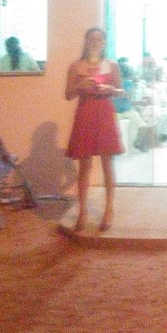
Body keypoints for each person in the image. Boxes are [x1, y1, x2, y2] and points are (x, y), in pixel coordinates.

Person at [65, 27, 125, 232]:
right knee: (85, 165)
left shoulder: (112, 65)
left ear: (104, 42)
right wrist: (81, 85)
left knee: (107, 163)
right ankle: (82, 211)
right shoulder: (76, 66)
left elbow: (121, 91)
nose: (95, 42)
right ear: (86, 41)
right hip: (85, 114)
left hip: (105, 113)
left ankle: (109, 209)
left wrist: (111, 89)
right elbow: (68, 94)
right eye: (92, 38)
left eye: (99, 39)